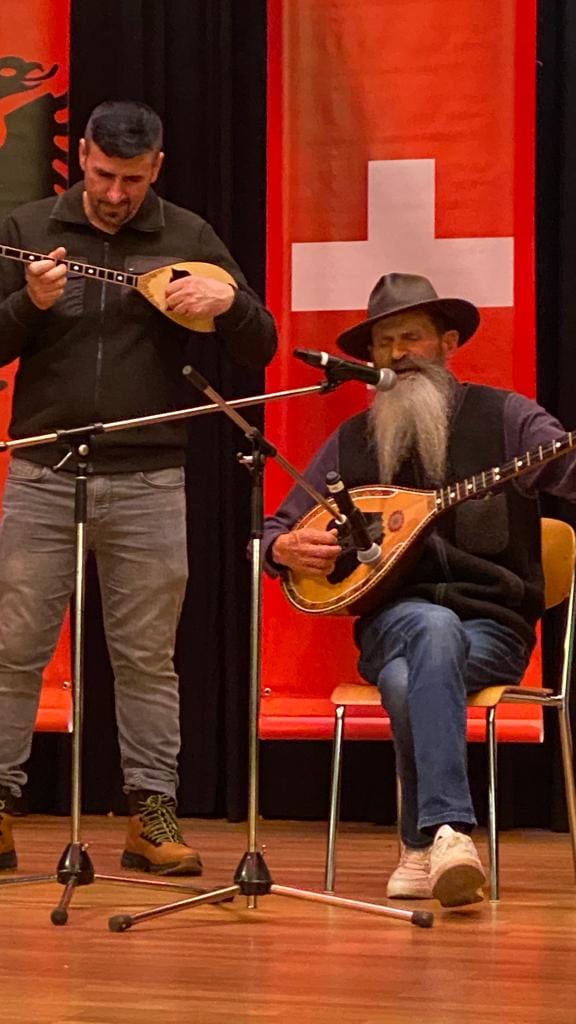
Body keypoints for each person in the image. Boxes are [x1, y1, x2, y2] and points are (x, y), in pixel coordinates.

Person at [0, 100, 277, 877]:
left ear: (156, 166)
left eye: (132, 179)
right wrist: (30, 303)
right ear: (83, 156)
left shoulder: (188, 236)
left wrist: (229, 305)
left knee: (147, 659)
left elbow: (260, 349)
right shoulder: (30, 227)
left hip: (150, 476)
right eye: (102, 175)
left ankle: (151, 814)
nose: (116, 194)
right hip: (44, 471)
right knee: (15, 650)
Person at [263, 272, 576, 907]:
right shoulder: (351, 442)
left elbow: (568, 469)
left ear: (448, 343)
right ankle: (452, 832)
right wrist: (283, 548)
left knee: (411, 679)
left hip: (494, 628)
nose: (398, 353)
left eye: (412, 337)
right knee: (429, 628)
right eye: (384, 343)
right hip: (391, 624)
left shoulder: (508, 418)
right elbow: (277, 528)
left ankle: (418, 843)